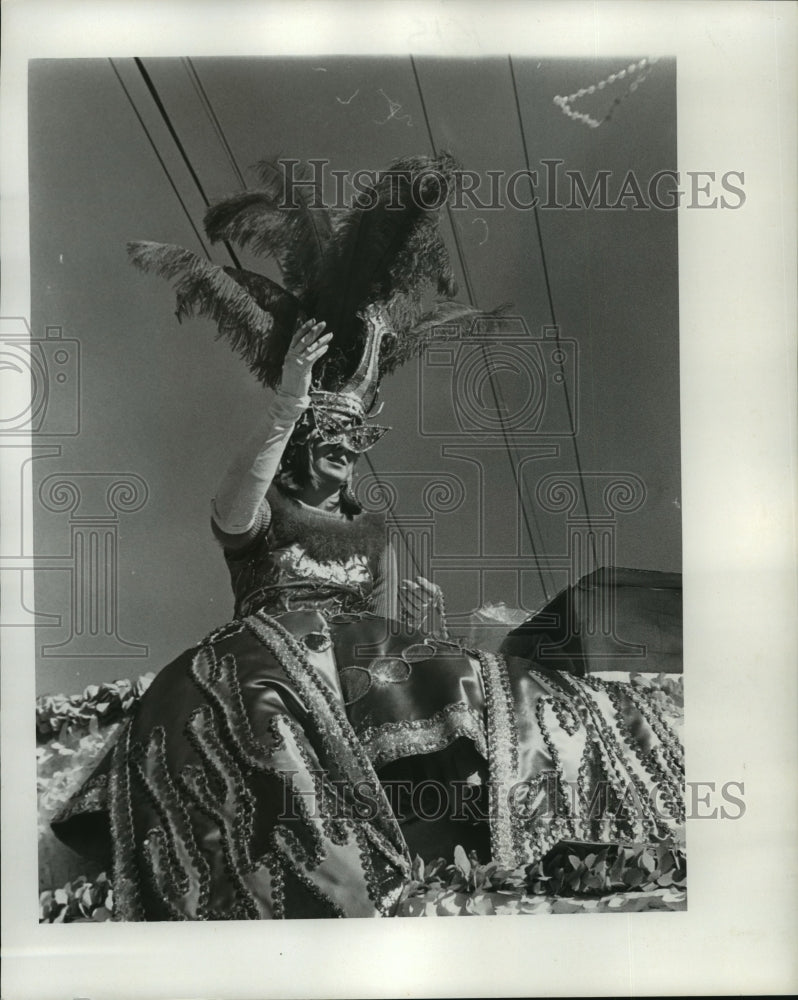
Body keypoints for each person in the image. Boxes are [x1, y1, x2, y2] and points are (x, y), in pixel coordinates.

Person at [51, 155, 684, 919]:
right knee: (252, 690)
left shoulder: (373, 532)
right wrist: (287, 398)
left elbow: (393, 634)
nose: (345, 446)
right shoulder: (262, 513)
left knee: (501, 682)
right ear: (302, 436)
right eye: (328, 432)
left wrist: (429, 628)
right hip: (270, 650)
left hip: (366, 654)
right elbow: (232, 507)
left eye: (356, 435)